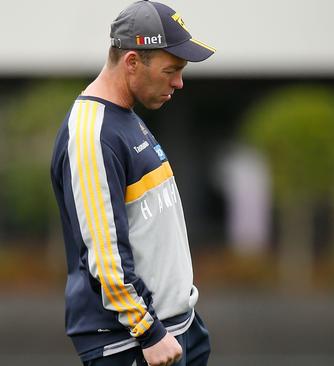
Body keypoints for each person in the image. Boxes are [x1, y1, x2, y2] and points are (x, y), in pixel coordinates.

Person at [50, 1, 216, 365]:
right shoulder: (93, 133)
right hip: (133, 343)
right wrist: (148, 331)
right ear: (131, 63)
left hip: (176, 328)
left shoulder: (123, 117)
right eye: (171, 70)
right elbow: (105, 255)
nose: (179, 82)